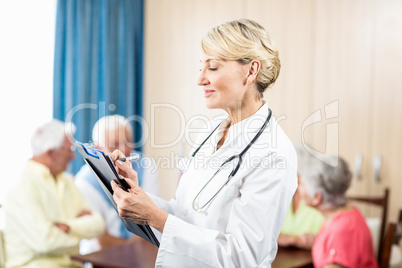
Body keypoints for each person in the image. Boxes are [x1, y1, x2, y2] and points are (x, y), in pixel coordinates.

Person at [110, 19, 298, 267]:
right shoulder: (210, 132)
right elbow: (186, 213)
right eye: (202, 67)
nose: (200, 79)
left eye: (213, 68)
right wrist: (139, 197)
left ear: (251, 71)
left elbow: (242, 257)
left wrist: (157, 218)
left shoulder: (274, 153)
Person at [3, 119, 105, 268]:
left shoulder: (68, 182)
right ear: (50, 153)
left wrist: (67, 227)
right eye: (69, 150)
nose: (73, 156)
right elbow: (46, 242)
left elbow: (98, 224)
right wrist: (81, 232)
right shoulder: (21, 189)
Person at [75, 115, 159, 254]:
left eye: (128, 142)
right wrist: (134, 249)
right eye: (114, 144)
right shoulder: (84, 182)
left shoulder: (146, 166)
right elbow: (101, 239)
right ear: (98, 148)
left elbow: (152, 219)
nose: (123, 150)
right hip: (101, 256)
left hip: (142, 253)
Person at [297, 153, 378, 268]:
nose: (297, 188)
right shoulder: (345, 212)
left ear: (317, 198)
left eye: (302, 185)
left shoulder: (342, 230)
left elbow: (341, 239)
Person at [277, 145, 324, 249]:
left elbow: (325, 242)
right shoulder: (280, 196)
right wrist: (295, 239)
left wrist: (292, 239)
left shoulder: (318, 199)